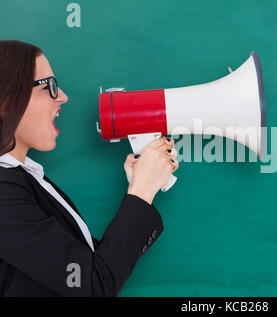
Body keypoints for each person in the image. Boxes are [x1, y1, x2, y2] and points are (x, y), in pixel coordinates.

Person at [0, 40, 178, 296]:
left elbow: (91, 268)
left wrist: (140, 189)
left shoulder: (23, 179)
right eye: (48, 86)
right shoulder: (4, 193)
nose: (62, 96)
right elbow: (91, 285)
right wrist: (141, 192)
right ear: (6, 104)